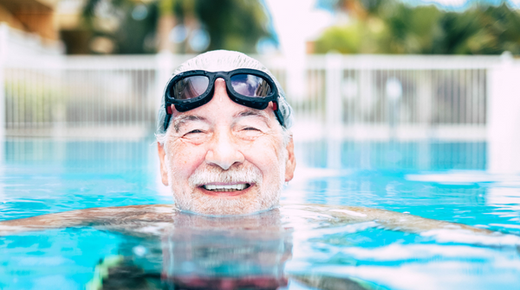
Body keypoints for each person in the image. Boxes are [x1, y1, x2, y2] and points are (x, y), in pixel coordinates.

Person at [0, 50, 512, 236]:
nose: (223, 156)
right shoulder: (118, 225)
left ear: (289, 157)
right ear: (162, 161)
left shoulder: (348, 227)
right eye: (195, 130)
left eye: (249, 127)